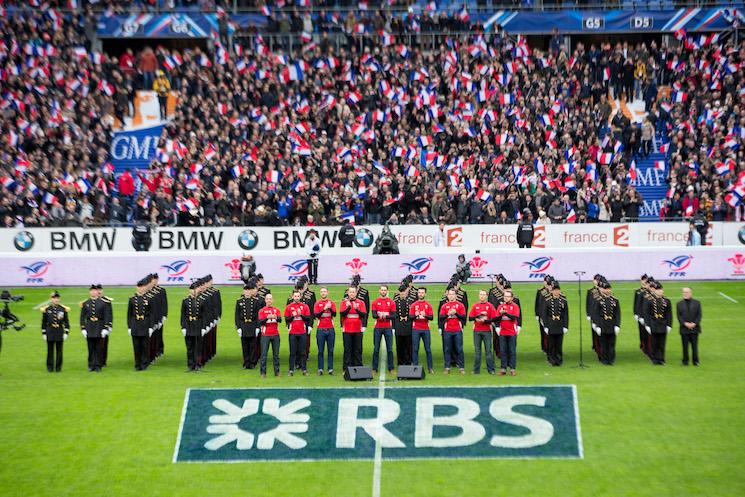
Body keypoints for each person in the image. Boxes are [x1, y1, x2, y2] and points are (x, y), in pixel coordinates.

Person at [80, 284, 110, 373]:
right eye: (92, 291)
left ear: (97, 292)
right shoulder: (86, 303)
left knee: (99, 348)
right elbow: (82, 317)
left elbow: (106, 316)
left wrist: (105, 328)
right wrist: (83, 328)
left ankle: (98, 365)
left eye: (95, 290)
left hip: (99, 326)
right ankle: (91, 365)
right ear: (90, 292)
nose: (93, 292)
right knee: (90, 348)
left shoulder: (103, 303)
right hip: (89, 327)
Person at [591, 280, 621, 365]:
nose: (607, 290)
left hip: (612, 324)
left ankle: (611, 359)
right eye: (605, 289)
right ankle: (604, 359)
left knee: (611, 343)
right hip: (602, 324)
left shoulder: (615, 300)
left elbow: (617, 314)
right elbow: (596, 314)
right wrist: (597, 326)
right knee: (603, 343)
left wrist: (617, 325)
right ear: (601, 289)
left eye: (608, 288)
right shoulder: (598, 300)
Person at [235, 281, 263, 369]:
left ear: (251, 291)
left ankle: (252, 362)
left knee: (252, 345)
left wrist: (258, 327)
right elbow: (237, 316)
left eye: (248, 290)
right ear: (243, 292)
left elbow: (258, 315)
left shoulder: (255, 301)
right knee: (244, 346)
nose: (247, 292)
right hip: (243, 325)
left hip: (252, 325)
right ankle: (246, 362)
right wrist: (238, 327)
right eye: (245, 290)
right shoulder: (239, 301)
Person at [644, 281, 673, 365]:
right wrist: (647, 325)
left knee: (662, 343)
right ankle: (654, 359)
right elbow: (647, 314)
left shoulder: (666, 301)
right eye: (658, 290)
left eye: (661, 289)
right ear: (654, 291)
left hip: (663, 324)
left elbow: (669, 314)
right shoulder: (649, 300)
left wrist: (669, 325)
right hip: (653, 324)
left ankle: (661, 359)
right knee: (654, 343)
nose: (660, 291)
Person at [469, 290, 497, 374]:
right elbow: (470, 318)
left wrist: (486, 321)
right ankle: (476, 370)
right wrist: (477, 317)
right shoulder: (475, 306)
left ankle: (491, 370)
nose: (482, 296)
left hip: (487, 331)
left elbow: (495, 318)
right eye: (480, 294)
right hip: (476, 331)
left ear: (486, 296)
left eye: (483, 295)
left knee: (488, 351)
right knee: (477, 351)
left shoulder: (490, 306)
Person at [40, 291, 70, 373]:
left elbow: (66, 322)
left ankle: (58, 367)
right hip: (50, 331)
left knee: (59, 351)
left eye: (57, 298)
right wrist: (44, 333)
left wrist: (66, 332)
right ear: (51, 299)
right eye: (54, 298)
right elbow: (44, 322)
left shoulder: (63, 309)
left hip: (59, 331)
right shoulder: (46, 309)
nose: (56, 300)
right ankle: (50, 367)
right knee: (50, 351)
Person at [439, 288, 466, 374]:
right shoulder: (444, 306)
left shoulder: (460, 305)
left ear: (456, 296)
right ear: (447, 295)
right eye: (449, 294)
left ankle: (461, 368)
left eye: (453, 294)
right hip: (447, 330)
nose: (451, 296)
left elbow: (463, 317)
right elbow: (441, 317)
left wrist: (456, 313)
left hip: (457, 330)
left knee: (459, 349)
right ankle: (447, 367)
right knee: (447, 349)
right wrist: (448, 314)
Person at [340, 286, 367, 373]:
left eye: (353, 292)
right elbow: (342, 314)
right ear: (348, 293)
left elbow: (363, 315)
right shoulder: (344, 302)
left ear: (356, 293)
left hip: (357, 330)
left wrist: (356, 309)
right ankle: (346, 368)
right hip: (347, 330)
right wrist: (348, 308)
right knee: (347, 349)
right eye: (350, 292)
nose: (351, 294)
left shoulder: (361, 302)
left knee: (358, 349)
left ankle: (358, 368)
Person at [284, 290, 311, 376]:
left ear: (300, 297)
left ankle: (304, 369)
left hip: (302, 332)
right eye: (295, 296)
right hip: (292, 332)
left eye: (298, 296)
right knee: (292, 352)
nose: (296, 298)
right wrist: (293, 316)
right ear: (292, 297)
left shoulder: (305, 306)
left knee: (303, 352)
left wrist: (301, 315)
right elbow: (286, 319)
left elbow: (308, 318)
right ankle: (291, 370)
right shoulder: (289, 307)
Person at [371, 285, 396, 375]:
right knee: (376, 349)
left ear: (387, 291)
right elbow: (373, 315)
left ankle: (391, 368)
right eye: (382, 290)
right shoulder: (375, 302)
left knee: (390, 349)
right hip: (377, 328)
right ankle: (374, 368)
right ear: (379, 291)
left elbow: (394, 316)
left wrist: (385, 316)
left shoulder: (391, 302)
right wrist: (379, 315)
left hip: (388, 328)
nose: (383, 292)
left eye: (385, 290)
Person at [128, 279, 152, 371]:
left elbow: (151, 313)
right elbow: (129, 314)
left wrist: (150, 326)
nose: (140, 289)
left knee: (145, 345)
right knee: (136, 346)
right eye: (139, 287)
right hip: (135, 323)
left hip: (145, 323)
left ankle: (144, 363)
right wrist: (129, 326)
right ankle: (137, 364)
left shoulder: (148, 299)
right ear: (136, 288)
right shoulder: (132, 299)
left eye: (142, 287)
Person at [542, 282, 568, 367]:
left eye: (558, 290)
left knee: (559, 344)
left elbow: (566, 315)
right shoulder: (547, 300)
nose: (556, 292)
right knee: (551, 344)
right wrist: (545, 326)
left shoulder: (563, 301)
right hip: (551, 324)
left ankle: (559, 360)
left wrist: (565, 326)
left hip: (559, 324)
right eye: (555, 290)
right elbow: (544, 314)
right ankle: (551, 359)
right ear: (552, 291)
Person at [495, 289, 521, 375]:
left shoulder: (515, 306)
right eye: (505, 296)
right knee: (503, 351)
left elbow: (514, 317)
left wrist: (505, 313)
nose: (506, 298)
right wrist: (497, 326)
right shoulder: (500, 306)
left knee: (512, 351)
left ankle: (512, 369)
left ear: (512, 298)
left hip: (512, 332)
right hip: (502, 332)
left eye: (508, 296)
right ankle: (503, 368)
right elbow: (497, 318)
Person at [409, 287, 434, 374]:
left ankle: (430, 368)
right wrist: (416, 316)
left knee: (428, 349)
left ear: (425, 294)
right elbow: (410, 317)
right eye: (419, 292)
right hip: (416, 329)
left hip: (426, 330)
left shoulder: (428, 305)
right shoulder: (413, 305)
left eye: (422, 292)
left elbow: (431, 317)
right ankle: (415, 368)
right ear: (417, 293)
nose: (421, 294)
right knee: (415, 349)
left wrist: (425, 315)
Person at [181, 281, 204, 372]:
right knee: (190, 347)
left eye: (195, 289)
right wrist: (183, 327)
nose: (194, 291)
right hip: (189, 325)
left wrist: (203, 327)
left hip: (198, 325)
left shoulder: (201, 301)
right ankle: (190, 365)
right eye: (192, 289)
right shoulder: (185, 301)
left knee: (198, 347)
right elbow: (183, 315)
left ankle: (198, 364)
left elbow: (204, 315)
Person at [313, 287, 337, 375]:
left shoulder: (332, 303)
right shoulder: (317, 304)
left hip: (330, 329)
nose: (323, 293)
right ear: (320, 293)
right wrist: (324, 308)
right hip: (321, 330)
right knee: (320, 350)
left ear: (327, 292)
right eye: (322, 292)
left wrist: (329, 308)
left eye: (324, 291)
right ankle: (320, 369)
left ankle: (330, 369)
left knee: (330, 350)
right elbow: (317, 315)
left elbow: (334, 314)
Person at [258, 294, 282, 377]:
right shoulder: (262, 310)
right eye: (267, 299)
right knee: (264, 355)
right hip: (265, 335)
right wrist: (267, 317)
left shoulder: (276, 310)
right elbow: (260, 322)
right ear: (265, 300)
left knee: (276, 355)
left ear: (273, 300)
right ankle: (263, 373)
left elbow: (280, 320)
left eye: (270, 299)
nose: (269, 301)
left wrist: (275, 317)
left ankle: (277, 372)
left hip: (275, 335)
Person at [676, 287, 702, 366]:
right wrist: (685, 324)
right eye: (684, 292)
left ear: (691, 293)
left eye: (687, 292)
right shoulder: (679, 303)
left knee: (694, 346)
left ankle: (695, 361)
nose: (685, 294)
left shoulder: (697, 303)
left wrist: (694, 323)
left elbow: (699, 315)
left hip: (695, 328)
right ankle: (685, 361)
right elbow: (679, 316)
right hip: (684, 328)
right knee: (685, 346)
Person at [393, 282, 413, 366]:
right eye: (401, 292)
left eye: (404, 292)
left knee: (408, 346)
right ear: (399, 292)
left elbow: (412, 314)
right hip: (399, 326)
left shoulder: (411, 302)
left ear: (406, 292)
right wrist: (393, 328)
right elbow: (394, 315)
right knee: (399, 346)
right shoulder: (395, 302)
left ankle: (408, 362)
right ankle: (400, 362)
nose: (403, 294)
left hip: (408, 325)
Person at [634, 274, 652, 357]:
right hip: (641, 314)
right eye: (643, 279)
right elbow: (637, 304)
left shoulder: (650, 292)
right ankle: (643, 345)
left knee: (647, 333)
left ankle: (648, 347)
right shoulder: (638, 291)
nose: (644, 281)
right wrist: (636, 314)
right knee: (642, 331)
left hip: (648, 315)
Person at [99, 285, 114, 367]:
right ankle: (96, 360)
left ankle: (103, 361)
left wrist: (109, 325)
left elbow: (109, 314)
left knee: (103, 345)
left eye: (100, 289)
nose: (99, 291)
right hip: (94, 326)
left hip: (103, 325)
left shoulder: (106, 301)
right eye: (97, 290)